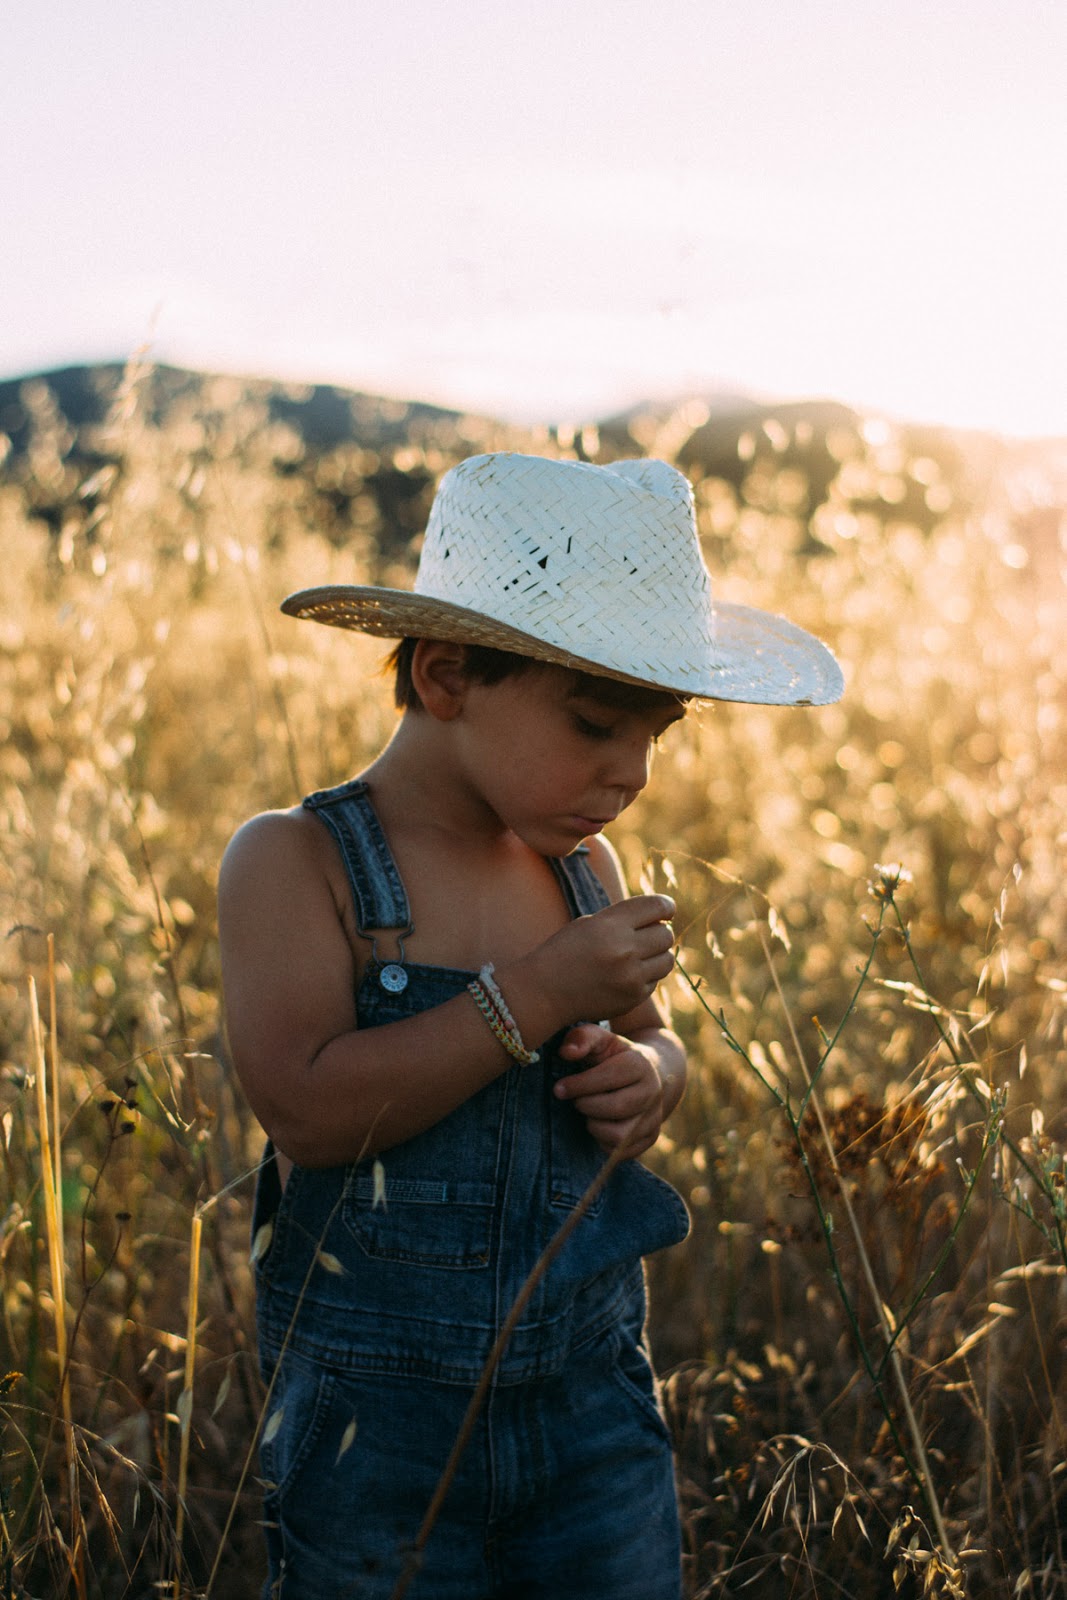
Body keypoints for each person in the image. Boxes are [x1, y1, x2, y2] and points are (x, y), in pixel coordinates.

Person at [218, 452, 843, 1599]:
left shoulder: (579, 867)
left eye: (657, 733)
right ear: (447, 673)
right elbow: (306, 1111)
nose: (630, 774)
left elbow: (652, 1040)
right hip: (376, 1430)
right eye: (597, 723)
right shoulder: (299, 862)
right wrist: (535, 996)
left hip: (590, 1402)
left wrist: (651, 1074)